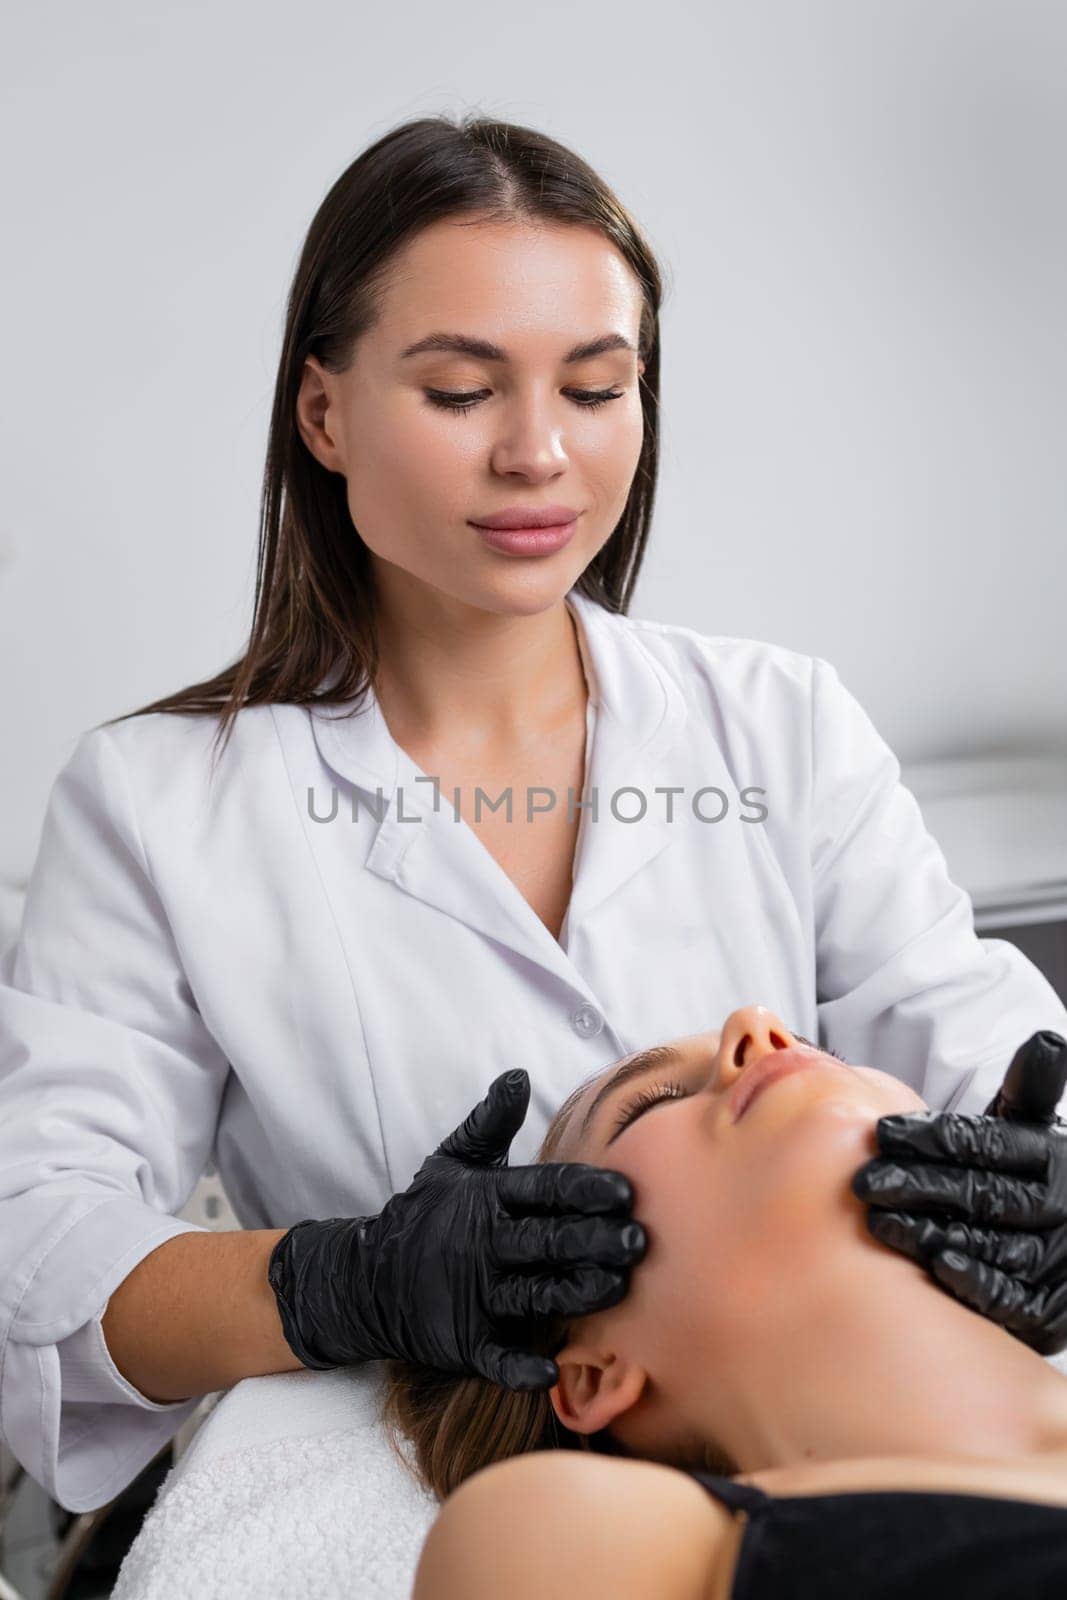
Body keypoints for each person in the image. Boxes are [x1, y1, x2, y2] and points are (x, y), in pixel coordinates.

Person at [1, 112, 1066, 1520]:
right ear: (322, 412)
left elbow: (971, 1049)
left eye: (594, 386)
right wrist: (345, 1281)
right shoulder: (156, 802)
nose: (537, 456)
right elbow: (39, 1244)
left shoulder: (777, 723)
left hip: (816, 1443)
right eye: (457, 393)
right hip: (423, 1489)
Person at [407, 1005, 1067, 1599]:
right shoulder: (603, 1542)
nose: (756, 1026)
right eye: (650, 1103)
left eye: (820, 1048)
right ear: (593, 1373)